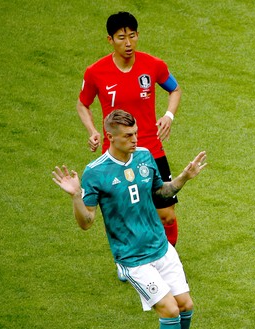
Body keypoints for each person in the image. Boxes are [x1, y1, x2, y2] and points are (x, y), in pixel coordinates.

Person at [52, 110, 208, 329]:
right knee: (170, 310)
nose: (135, 139)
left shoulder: (146, 156)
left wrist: (185, 177)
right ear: (110, 136)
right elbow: (86, 222)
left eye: (136, 133)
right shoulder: (95, 172)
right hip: (133, 257)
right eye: (128, 136)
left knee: (186, 305)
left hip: (161, 247)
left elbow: (160, 194)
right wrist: (75, 196)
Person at [77, 11, 182, 273]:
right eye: (121, 37)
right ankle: (126, 260)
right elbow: (83, 104)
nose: (128, 43)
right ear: (110, 39)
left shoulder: (153, 65)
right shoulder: (95, 72)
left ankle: (167, 258)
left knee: (166, 214)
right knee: (123, 215)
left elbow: (175, 89)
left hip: (151, 151)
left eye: (132, 36)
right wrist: (92, 130)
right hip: (115, 157)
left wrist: (168, 115)